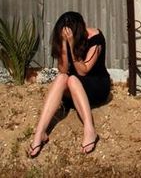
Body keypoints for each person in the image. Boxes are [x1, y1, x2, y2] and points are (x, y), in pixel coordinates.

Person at [28, 11, 111, 157]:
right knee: (62, 78)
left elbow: (83, 71)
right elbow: (63, 70)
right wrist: (65, 45)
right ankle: (39, 133)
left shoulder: (96, 38)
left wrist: (72, 45)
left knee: (72, 79)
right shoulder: (65, 39)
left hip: (97, 87)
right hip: (75, 90)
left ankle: (90, 130)